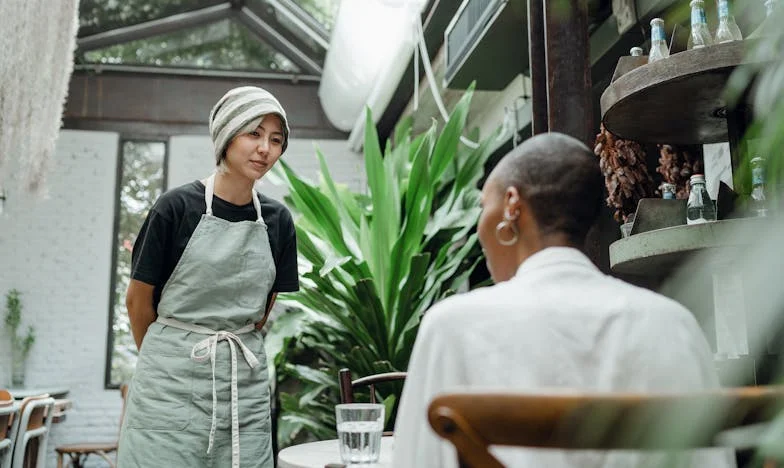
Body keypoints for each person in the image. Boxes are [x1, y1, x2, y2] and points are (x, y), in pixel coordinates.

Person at [391, 133, 734, 468]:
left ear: (512, 204)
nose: (479, 225)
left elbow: (419, 460)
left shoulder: (452, 328)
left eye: (483, 206)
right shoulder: (671, 324)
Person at [117, 86, 299, 468]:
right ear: (226, 135)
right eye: (254, 133)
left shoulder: (278, 221)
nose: (265, 149)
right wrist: (168, 359)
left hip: (242, 384)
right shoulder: (175, 208)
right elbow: (137, 302)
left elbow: (262, 311)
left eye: (275, 139)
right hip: (168, 386)